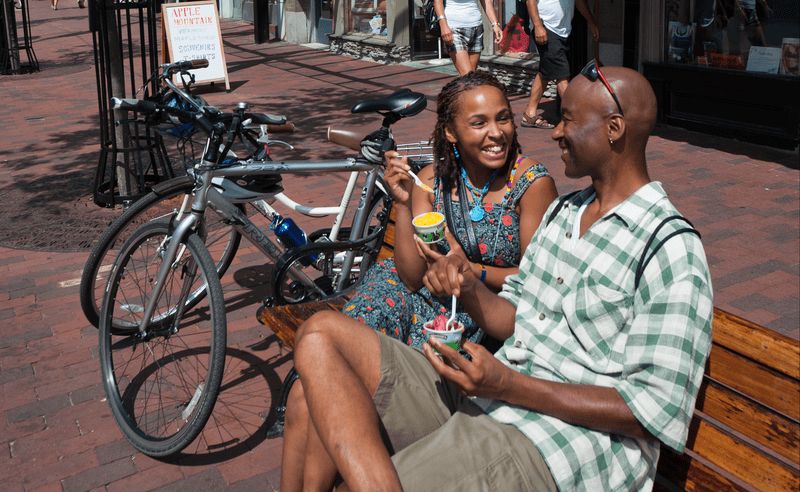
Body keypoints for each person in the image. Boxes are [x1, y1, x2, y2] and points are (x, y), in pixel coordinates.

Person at [281, 65, 714, 492]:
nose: (556, 133)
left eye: (567, 120)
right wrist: (466, 284)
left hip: (559, 443)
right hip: (490, 398)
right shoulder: (567, 214)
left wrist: (508, 384)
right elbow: (514, 320)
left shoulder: (667, 246)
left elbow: (655, 410)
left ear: (614, 128)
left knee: (328, 430)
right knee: (318, 337)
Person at [342, 71, 558, 350]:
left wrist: (472, 271)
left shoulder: (531, 183)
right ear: (450, 132)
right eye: (479, 123)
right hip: (416, 297)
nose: (496, 132)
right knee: (344, 344)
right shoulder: (431, 181)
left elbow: (534, 279)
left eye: (503, 118)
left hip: (488, 312)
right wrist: (405, 203)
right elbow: (410, 277)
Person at [521, 0, 599, 129]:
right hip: (546, 27)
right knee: (562, 74)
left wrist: (591, 22)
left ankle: (529, 114)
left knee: (545, 71)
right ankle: (576, 118)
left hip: (562, 30)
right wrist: (538, 26)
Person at [433, 0, 504, 75]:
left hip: (476, 28)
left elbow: (486, 1)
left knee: (470, 76)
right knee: (467, 74)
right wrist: (443, 25)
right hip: (454, 28)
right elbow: (437, 2)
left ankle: (459, 86)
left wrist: (495, 24)